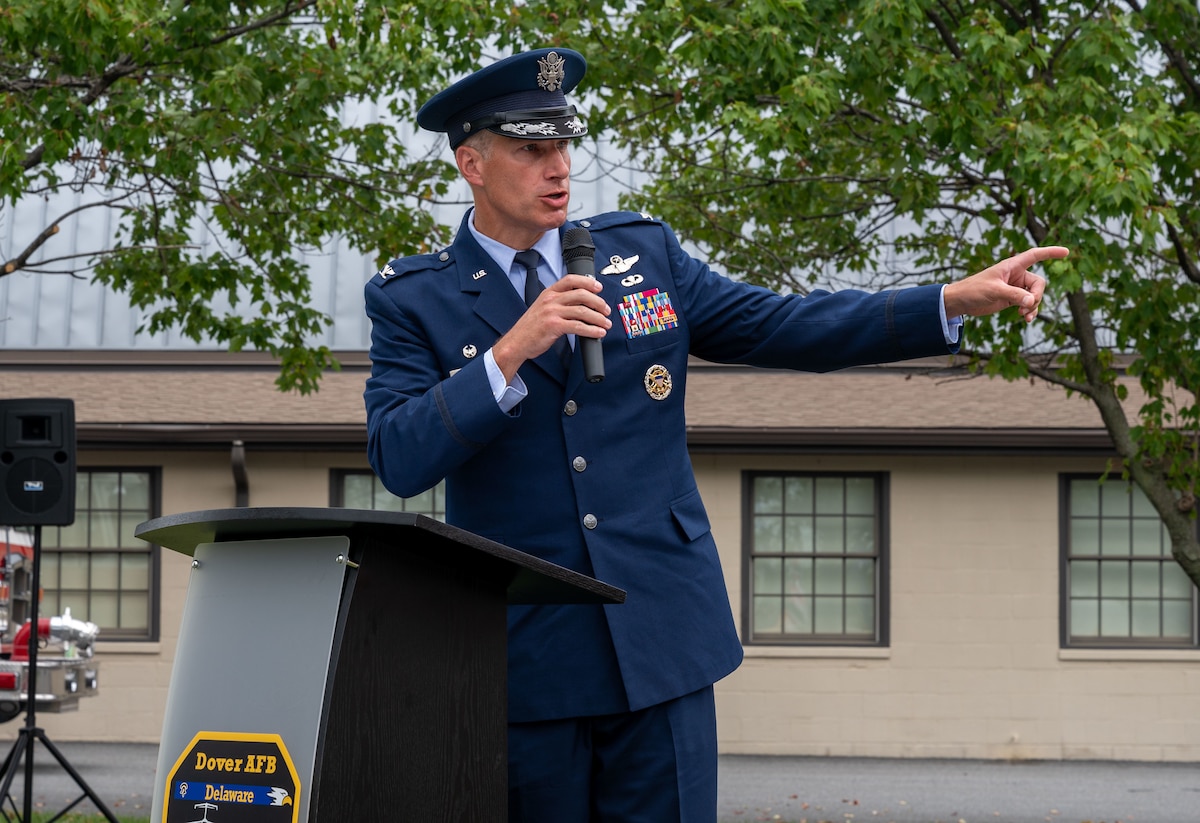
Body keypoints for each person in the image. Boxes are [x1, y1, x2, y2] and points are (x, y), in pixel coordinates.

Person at [363, 47, 1069, 823]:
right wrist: (508, 352)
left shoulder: (640, 255)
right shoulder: (414, 298)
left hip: (663, 640)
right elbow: (398, 455)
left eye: (563, 143)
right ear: (471, 162)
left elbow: (785, 324)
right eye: (532, 150)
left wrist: (949, 301)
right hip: (526, 658)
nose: (558, 166)